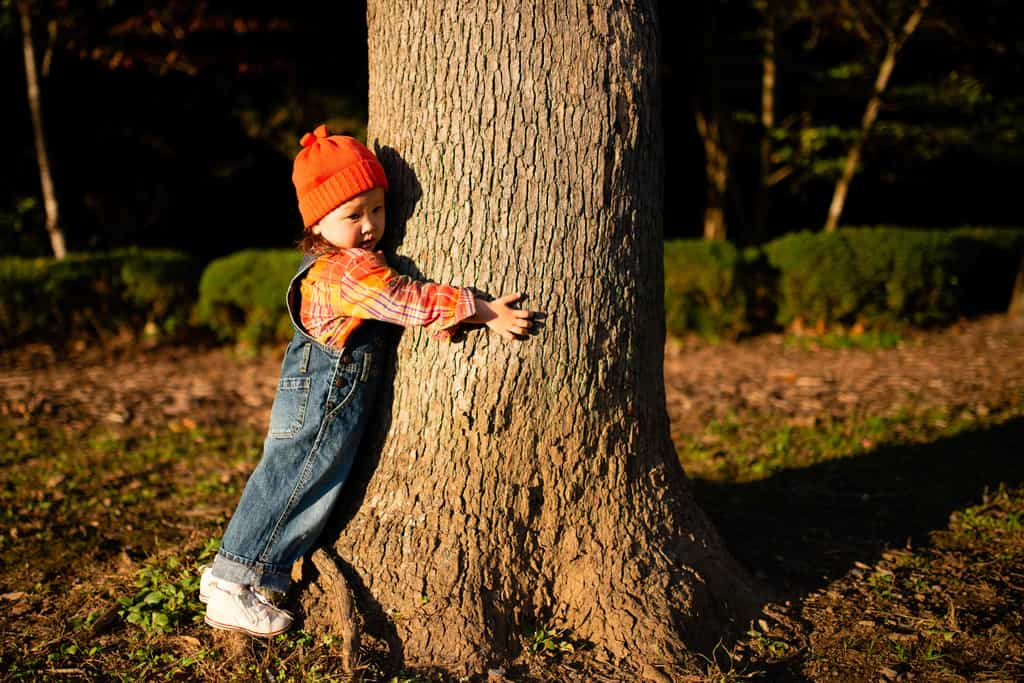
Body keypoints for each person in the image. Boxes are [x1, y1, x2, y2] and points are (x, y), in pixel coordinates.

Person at [199, 125, 535, 637]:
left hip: (319, 390)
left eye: (376, 209)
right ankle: (232, 581)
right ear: (318, 223)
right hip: (323, 396)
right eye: (352, 215)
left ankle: (234, 573)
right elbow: (406, 300)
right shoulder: (347, 273)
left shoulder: (346, 264)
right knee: (296, 481)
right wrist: (480, 309)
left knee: (299, 479)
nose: (370, 225)